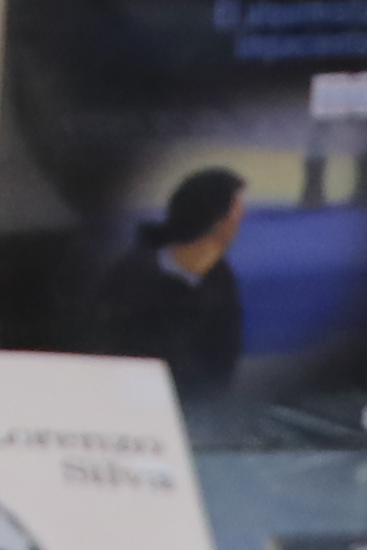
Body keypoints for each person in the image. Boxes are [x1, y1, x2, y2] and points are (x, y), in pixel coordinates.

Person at [75, 166, 250, 399]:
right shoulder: (134, 273)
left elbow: (222, 361)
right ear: (217, 219)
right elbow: (104, 344)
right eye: (237, 210)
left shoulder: (221, 282)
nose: (241, 219)